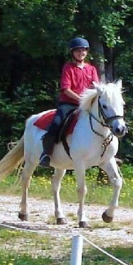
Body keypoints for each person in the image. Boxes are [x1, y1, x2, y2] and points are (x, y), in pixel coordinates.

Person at [39, 37, 100, 167]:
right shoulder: (68, 67)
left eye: (83, 50)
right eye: (77, 51)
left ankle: (105, 153)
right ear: (72, 53)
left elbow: (96, 87)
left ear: (86, 52)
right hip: (69, 104)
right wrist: (81, 100)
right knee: (55, 124)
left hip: (87, 105)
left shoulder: (91, 69)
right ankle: (46, 153)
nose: (80, 53)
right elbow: (66, 89)